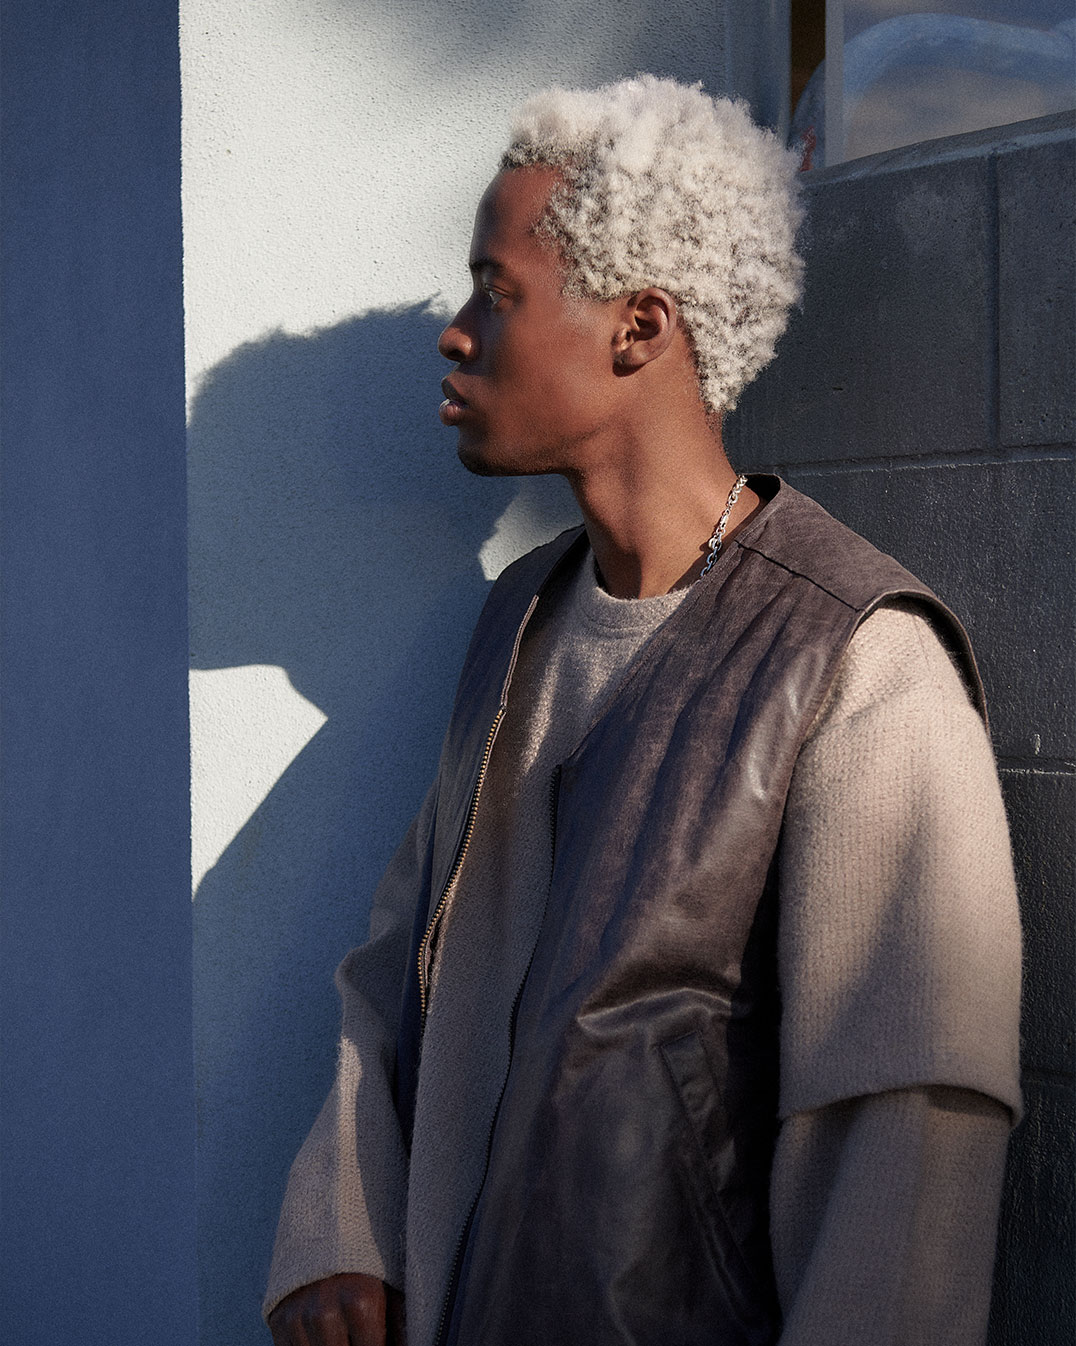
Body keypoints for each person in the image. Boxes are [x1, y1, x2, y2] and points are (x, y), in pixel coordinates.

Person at [264, 75, 1021, 1346]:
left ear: (639, 326)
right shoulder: (520, 617)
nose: (454, 332)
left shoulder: (860, 660)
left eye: (495, 292)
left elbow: (902, 1156)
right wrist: (340, 1222)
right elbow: (400, 966)